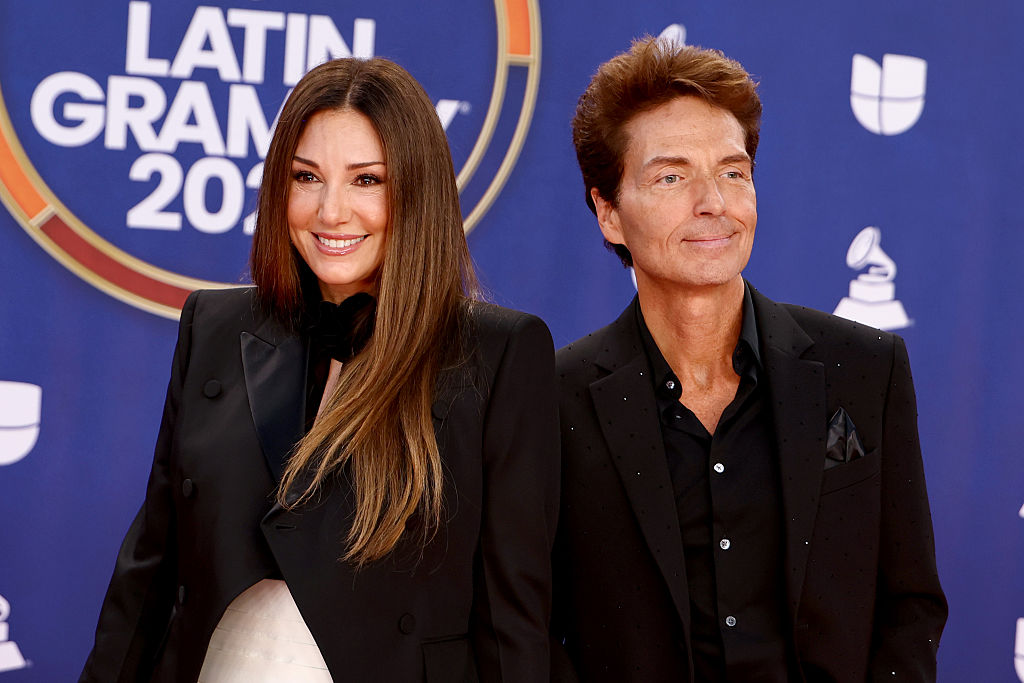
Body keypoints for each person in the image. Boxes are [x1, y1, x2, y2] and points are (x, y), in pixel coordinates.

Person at [80, 57, 558, 683]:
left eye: (367, 181)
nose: (331, 212)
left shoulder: (499, 354)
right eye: (307, 177)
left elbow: (511, 624)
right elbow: (148, 574)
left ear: (418, 192)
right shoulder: (214, 325)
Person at [551, 38, 947, 682]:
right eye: (672, 176)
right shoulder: (552, 398)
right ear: (608, 213)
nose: (715, 202)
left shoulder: (866, 369)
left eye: (733, 172)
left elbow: (910, 606)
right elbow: (529, 628)